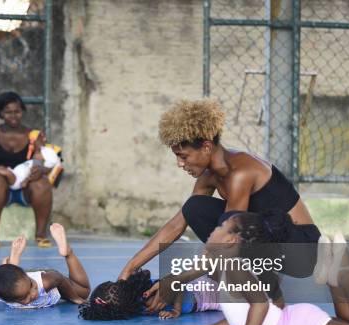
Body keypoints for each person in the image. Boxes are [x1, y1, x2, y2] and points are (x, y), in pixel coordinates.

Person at [119, 98, 320, 311]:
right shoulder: (209, 176)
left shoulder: (241, 173)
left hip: (301, 250)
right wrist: (130, 268)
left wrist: (178, 278)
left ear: (206, 146)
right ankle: (247, 281)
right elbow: (176, 225)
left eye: (183, 156)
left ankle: (262, 291)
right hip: (267, 240)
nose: (180, 164)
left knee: (227, 231)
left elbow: (226, 239)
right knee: (194, 207)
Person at [169, 211, 349, 325]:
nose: (214, 228)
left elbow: (260, 306)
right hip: (292, 323)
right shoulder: (225, 264)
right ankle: (333, 279)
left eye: (221, 226)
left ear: (231, 240)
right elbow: (239, 316)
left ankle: (345, 277)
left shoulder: (234, 267)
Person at [0, 91, 54, 249]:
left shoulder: (33, 135)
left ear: (22, 111)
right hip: (0, 189)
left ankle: (41, 234)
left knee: (42, 183)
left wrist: (40, 170)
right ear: (0, 113)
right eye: (8, 112)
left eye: (17, 111)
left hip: (25, 188)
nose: (13, 116)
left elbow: (46, 160)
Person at [0, 223, 91, 308]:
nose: (33, 293)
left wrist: (75, 298)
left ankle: (68, 253)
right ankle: (12, 264)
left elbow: (58, 277)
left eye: (32, 285)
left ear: (28, 277)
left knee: (84, 292)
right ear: (8, 300)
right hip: (16, 279)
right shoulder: (3, 295)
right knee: (5, 278)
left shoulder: (45, 282)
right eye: (25, 297)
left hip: (56, 285)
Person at [79, 270, 220, 320]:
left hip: (207, 293)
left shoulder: (146, 296)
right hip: (204, 294)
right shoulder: (136, 304)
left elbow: (175, 282)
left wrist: (176, 309)